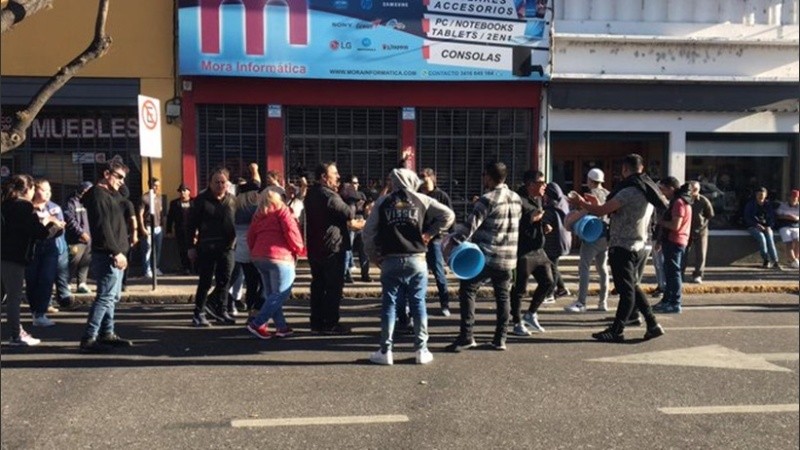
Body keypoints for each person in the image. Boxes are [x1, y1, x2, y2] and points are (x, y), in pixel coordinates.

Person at [570, 154, 666, 342]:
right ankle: (652, 324)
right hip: (638, 244)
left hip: (622, 245)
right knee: (633, 287)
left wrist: (580, 203)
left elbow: (601, 211)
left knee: (626, 290)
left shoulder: (629, 191)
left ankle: (617, 329)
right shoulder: (648, 189)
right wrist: (597, 205)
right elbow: (613, 210)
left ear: (625, 169)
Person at [363, 168, 455, 365]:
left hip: (390, 258)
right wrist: (430, 233)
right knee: (418, 303)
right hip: (417, 258)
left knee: (389, 304)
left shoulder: (383, 202)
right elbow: (448, 215)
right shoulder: (422, 199)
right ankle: (421, 350)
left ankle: (385, 351)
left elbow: (368, 232)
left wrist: (373, 256)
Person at [445, 162, 522, 352]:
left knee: (468, 289)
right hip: (509, 256)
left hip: (487, 255)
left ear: (488, 176)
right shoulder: (516, 198)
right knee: (503, 296)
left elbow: (469, 227)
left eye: (484, 176)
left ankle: (467, 336)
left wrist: (451, 241)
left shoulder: (487, 199)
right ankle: (500, 339)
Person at [79, 161, 134, 353]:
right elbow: (103, 227)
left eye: (124, 178)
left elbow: (125, 194)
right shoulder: (98, 195)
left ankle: (107, 333)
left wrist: (119, 178)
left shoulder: (111, 194)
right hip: (108, 253)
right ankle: (89, 337)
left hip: (116, 251)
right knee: (105, 297)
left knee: (112, 297)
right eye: (118, 177)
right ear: (106, 173)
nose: (122, 182)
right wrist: (115, 252)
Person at [305, 162, 365, 334]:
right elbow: (349, 213)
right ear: (324, 177)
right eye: (335, 173)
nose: (338, 177)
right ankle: (330, 323)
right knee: (333, 287)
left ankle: (317, 322)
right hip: (332, 248)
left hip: (316, 247)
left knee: (318, 285)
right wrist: (351, 197)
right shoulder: (329, 195)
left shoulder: (312, 193)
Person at [2, 174, 62, 346]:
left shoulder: (5, 204)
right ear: (27, 189)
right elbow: (38, 233)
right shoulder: (24, 206)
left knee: (4, 294)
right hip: (14, 255)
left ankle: (16, 332)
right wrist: (53, 225)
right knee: (14, 296)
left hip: (4, 253)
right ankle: (16, 335)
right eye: (33, 189)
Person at [246, 188, 306, 339]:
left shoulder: (258, 215)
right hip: (280, 257)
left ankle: (282, 327)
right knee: (281, 294)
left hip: (259, 257)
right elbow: (291, 232)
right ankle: (257, 323)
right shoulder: (283, 211)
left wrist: (254, 251)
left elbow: (250, 236)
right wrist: (299, 249)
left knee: (271, 295)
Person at [187, 167, 238, 326]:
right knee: (205, 281)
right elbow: (190, 225)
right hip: (207, 247)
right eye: (216, 182)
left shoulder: (232, 200)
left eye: (223, 182)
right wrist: (191, 247)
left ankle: (221, 310)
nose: (220, 185)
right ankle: (199, 313)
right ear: (209, 183)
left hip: (228, 247)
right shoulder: (201, 201)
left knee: (225, 280)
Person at [511, 170, 555, 335]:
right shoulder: (518, 200)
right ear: (530, 184)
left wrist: (543, 225)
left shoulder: (537, 199)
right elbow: (515, 222)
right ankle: (517, 322)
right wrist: (530, 219)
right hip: (522, 251)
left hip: (538, 249)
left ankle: (531, 314)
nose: (545, 186)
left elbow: (537, 218)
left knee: (548, 282)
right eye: (541, 183)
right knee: (519, 289)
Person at [565, 168, 610, 313]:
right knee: (603, 269)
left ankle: (581, 302)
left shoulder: (591, 195)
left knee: (584, 268)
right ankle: (603, 302)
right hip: (606, 236)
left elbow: (585, 213)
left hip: (591, 235)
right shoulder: (608, 194)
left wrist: (569, 222)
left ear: (590, 180)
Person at [26, 179, 67, 327]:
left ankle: (40, 313)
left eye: (49, 190)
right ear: (35, 190)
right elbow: (30, 230)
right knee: (32, 280)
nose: (48, 193)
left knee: (47, 278)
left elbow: (60, 228)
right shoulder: (28, 208)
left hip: (50, 247)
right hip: (33, 248)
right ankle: (34, 310)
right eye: (44, 190)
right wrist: (48, 221)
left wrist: (55, 225)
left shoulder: (54, 208)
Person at [652, 177, 692, 314]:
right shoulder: (682, 201)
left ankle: (675, 302)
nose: (662, 193)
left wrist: (660, 222)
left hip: (675, 241)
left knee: (673, 273)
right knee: (669, 272)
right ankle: (667, 300)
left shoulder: (679, 202)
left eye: (663, 189)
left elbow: (675, 225)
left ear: (671, 188)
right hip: (675, 240)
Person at [418, 168, 454, 316]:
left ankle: (444, 304)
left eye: (424, 178)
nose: (422, 181)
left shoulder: (441, 196)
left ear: (432, 178)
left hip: (435, 238)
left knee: (439, 272)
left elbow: (450, 217)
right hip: (418, 238)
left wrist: (453, 238)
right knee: (418, 274)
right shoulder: (417, 194)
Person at [231, 180, 263, 319]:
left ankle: (250, 309)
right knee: (263, 283)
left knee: (251, 283)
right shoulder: (254, 209)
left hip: (240, 251)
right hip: (254, 249)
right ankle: (256, 310)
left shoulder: (235, 208)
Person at [542, 182, 572, 301]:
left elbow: (546, 222)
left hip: (554, 242)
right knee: (553, 265)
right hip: (564, 239)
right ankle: (561, 288)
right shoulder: (563, 202)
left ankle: (550, 294)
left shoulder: (551, 207)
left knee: (552, 268)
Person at [63, 181, 93, 296]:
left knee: (86, 261)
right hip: (76, 239)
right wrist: (81, 233)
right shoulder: (71, 202)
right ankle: (66, 283)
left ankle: (82, 283)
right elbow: (70, 220)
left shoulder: (89, 201)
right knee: (73, 261)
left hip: (89, 237)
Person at [683, 180, 715, 283]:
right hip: (686, 230)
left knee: (700, 254)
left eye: (695, 189)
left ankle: (698, 274)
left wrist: (702, 225)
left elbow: (710, 214)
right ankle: (680, 273)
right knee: (683, 253)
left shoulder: (703, 201)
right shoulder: (684, 200)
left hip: (701, 231)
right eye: (692, 189)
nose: (693, 191)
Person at [743, 187, 781, 270]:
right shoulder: (750, 204)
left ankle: (775, 261)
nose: (760, 196)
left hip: (766, 226)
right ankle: (766, 260)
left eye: (762, 195)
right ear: (756, 195)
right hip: (753, 226)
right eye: (758, 194)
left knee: (770, 239)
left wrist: (769, 226)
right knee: (761, 238)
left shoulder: (768, 205)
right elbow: (747, 217)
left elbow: (772, 217)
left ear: (766, 195)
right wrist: (756, 224)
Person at [342, 175, 371, 283]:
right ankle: (346, 274)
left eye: (357, 183)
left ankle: (365, 274)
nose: (356, 185)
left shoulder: (362, 194)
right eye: (354, 183)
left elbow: (366, 208)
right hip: (350, 224)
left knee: (364, 250)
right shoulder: (344, 195)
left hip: (361, 222)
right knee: (347, 250)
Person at [138, 177, 165, 278]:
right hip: (148, 226)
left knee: (157, 249)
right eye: (155, 186)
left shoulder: (159, 198)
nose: (157, 188)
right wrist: (142, 228)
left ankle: (155, 267)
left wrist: (162, 225)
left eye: (158, 186)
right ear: (151, 186)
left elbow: (161, 212)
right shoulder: (144, 198)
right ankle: (147, 269)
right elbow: (140, 214)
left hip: (158, 226)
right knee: (147, 249)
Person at [166, 183, 194, 274]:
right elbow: (170, 218)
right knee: (182, 249)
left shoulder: (194, 202)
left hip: (192, 230)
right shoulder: (174, 203)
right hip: (180, 230)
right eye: (181, 191)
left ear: (189, 191)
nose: (182, 193)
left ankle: (195, 267)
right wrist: (169, 230)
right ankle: (186, 268)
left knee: (193, 248)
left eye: (184, 190)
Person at [775, 189, 799, 269]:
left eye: (795, 197)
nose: (793, 199)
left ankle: (794, 261)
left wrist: (797, 218)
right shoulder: (783, 205)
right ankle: (794, 261)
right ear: (789, 197)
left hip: (796, 226)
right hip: (785, 226)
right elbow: (778, 215)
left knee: (798, 241)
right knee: (789, 242)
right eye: (792, 197)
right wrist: (787, 217)